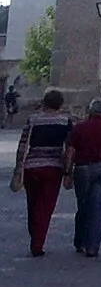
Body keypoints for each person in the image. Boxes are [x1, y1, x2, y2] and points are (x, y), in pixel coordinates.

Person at [9, 89, 72, 257]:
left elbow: (23, 145)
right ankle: (37, 243)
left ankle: (34, 235)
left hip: (32, 166)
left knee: (33, 204)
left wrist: (18, 167)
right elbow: (69, 149)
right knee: (46, 207)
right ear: (60, 104)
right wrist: (68, 170)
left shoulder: (33, 120)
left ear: (44, 102)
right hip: (54, 167)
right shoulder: (65, 122)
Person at [64, 98, 101, 258]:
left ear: (90, 111)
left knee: (83, 205)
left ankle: (80, 241)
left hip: (82, 168)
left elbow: (70, 151)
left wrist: (67, 172)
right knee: (98, 208)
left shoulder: (80, 128)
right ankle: (92, 246)